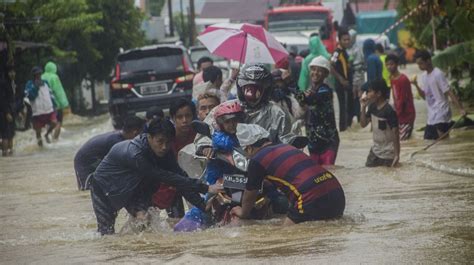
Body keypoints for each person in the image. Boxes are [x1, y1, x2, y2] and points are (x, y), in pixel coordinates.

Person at [90, 118, 223, 235]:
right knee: (107, 233)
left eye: (168, 142)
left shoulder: (165, 150)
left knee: (144, 220)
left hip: (133, 187)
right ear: (149, 137)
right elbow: (165, 177)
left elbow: (180, 177)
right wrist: (206, 188)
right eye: (160, 141)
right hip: (104, 186)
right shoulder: (136, 154)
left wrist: (201, 204)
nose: (164, 147)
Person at [230, 124, 345, 225]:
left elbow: (250, 193)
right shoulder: (287, 147)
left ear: (249, 148)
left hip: (310, 196)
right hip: (335, 191)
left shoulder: (257, 160)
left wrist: (243, 212)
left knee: (283, 240)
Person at [74, 116, 145, 190]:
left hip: (96, 160)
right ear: (135, 133)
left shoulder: (120, 137)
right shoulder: (116, 141)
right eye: (140, 135)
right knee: (86, 189)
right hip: (84, 161)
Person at [152, 98, 197, 218]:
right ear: (173, 118)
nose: (184, 121)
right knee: (176, 220)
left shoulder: (199, 135)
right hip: (170, 186)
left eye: (188, 116)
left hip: (193, 181)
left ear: (193, 116)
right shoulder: (166, 138)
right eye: (179, 117)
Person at [412, 50, 466, 140]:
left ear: (428, 61)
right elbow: (425, 97)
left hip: (442, 113)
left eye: (421, 63)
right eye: (418, 64)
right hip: (431, 116)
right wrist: (416, 85)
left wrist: (460, 108)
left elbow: (449, 92)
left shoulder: (438, 74)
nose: (419, 66)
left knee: (443, 140)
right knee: (428, 139)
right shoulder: (424, 76)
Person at [296, 56, 339, 165]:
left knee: (329, 172)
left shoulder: (325, 91)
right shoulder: (309, 91)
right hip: (312, 141)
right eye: (313, 69)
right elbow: (303, 107)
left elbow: (312, 99)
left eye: (320, 71)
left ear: (326, 74)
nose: (316, 73)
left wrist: (291, 84)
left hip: (328, 141)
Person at [360, 79, 400, 167]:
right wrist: (363, 107)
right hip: (375, 151)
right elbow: (363, 124)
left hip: (388, 153)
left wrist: (397, 155)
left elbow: (395, 132)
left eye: (370, 91)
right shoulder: (372, 107)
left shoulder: (389, 110)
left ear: (378, 94)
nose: (367, 94)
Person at [206, 101, 244, 185]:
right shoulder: (220, 138)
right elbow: (223, 144)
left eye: (235, 120)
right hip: (221, 177)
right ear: (221, 124)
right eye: (227, 122)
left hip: (243, 175)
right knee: (211, 195)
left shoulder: (247, 134)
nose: (232, 124)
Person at [385, 54, 416, 140]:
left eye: (391, 64)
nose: (389, 67)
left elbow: (402, 100)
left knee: (403, 141)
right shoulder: (392, 78)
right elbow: (395, 98)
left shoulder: (403, 79)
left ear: (397, 64)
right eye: (387, 65)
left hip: (407, 115)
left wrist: (394, 116)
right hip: (399, 115)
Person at [25, 66, 57, 147]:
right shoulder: (29, 84)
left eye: (39, 74)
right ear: (33, 75)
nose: (38, 76)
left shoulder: (45, 82)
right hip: (37, 112)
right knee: (38, 133)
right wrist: (36, 87)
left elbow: (50, 94)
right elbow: (30, 96)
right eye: (36, 74)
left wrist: (54, 105)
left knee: (54, 122)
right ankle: (40, 149)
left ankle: (47, 134)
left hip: (49, 109)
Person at [331, 28, 353, 131]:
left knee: (347, 107)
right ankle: (343, 128)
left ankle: (346, 128)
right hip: (341, 84)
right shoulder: (337, 52)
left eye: (348, 39)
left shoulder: (345, 52)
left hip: (347, 84)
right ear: (339, 40)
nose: (347, 42)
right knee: (343, 108)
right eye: (344, 40)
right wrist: (341, 79)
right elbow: (330, 66)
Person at [41, 61, 69, 141]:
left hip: (44, 105)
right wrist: (64, 103)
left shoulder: (41, 77)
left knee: (48, 122)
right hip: (56, 104)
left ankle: (45, 137)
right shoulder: (54, 77)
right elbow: (59, 91)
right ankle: (55, 140)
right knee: (58, 122)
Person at [347, 29, 366, 122]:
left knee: (358, 97)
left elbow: (358, 66)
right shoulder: (347, 48)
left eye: (350, 38)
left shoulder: (357, 49)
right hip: (350, 77)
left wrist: (356, 83)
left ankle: (359, 117)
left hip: (357, 76)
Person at [0, 64, 16, 156]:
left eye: (14, 72)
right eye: (10, 72)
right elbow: (2, 100)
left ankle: (10, 153)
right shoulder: (3, 83)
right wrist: (7, 113)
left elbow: (12, 99)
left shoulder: (11, 83)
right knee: (6, 134)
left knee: (11, 133)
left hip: (11, 111)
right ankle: (5, 153)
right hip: (5, 112)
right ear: (6, 73)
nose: (13, 74)